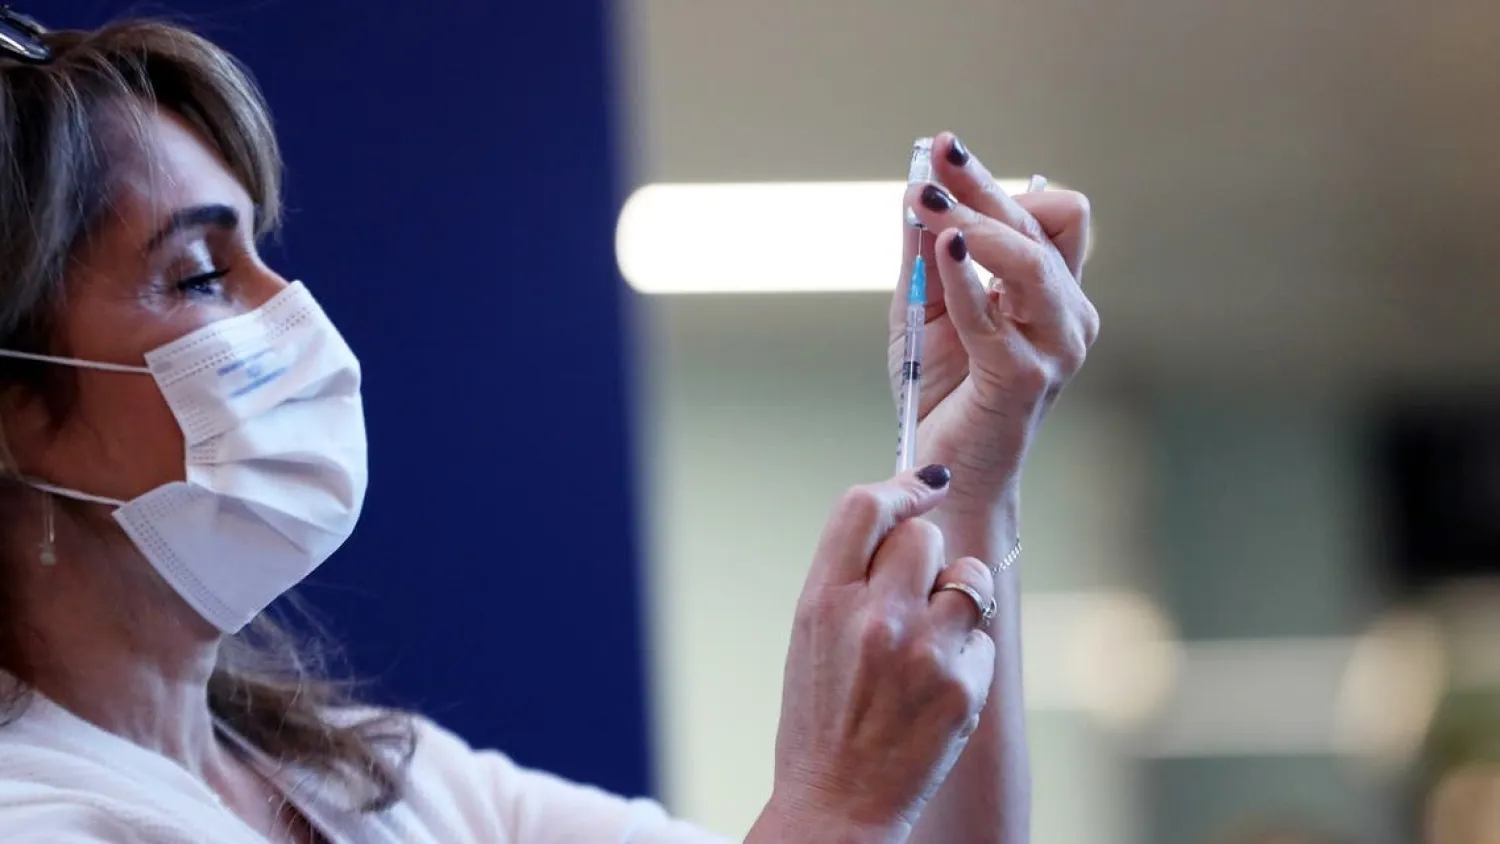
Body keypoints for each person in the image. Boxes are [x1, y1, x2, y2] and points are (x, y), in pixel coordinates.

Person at [0, 9, 1097, 844]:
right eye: (197, 275)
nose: (291, 311)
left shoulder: (376, 781)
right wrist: (832, 799)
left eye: (262, 251)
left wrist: (971, 453)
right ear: (16, 415)